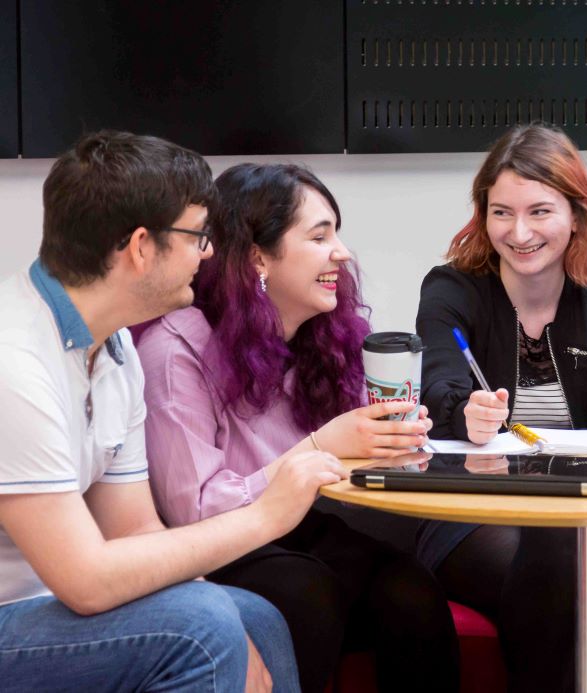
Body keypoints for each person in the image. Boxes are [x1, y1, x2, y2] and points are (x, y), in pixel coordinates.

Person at [0, 131, 344, 691]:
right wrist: (267, 515)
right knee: (202, 625)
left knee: (251, 614)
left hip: (46, 606)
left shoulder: (113, 349)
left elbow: (134, 528)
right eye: (198, 236)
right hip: (19, 616)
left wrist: (224, 605)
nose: (210, 253)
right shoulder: (14, 361)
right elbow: (85, 581)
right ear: (141, 247)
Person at [135, 163, 460, 693]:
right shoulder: (177, 351)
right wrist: (314, 451)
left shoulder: (320, 338)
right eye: (320, 235)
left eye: (337, 232)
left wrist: (391, 437)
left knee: (411, 589)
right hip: (214, 549)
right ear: (258, 256)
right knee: (307, 590)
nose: (343, 252)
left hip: (297, 531)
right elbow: (191, 511)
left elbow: (350, 449)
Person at [416, 123, 587, 692]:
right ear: (482, 214)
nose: (519, 233)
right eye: (501, 213)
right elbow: (439, 390)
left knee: (563, 549)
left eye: (540, 212)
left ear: (577, 213)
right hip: (474, 515)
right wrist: (465, 413)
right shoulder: (451, 289)